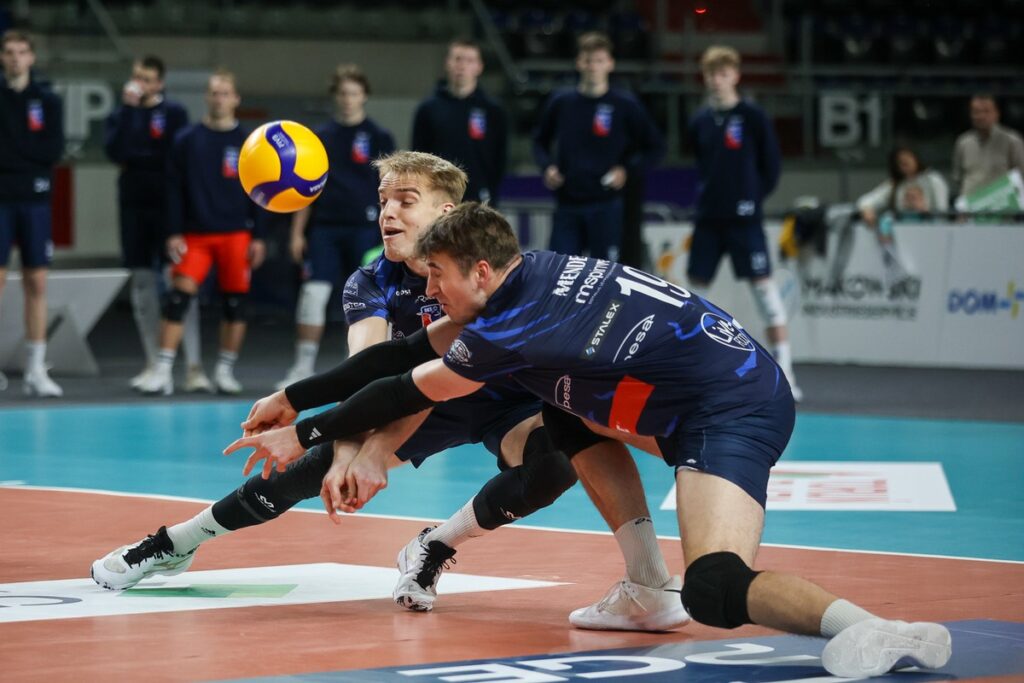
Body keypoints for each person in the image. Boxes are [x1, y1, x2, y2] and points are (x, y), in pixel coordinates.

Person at [229, 201, 953, 678]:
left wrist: (306, 432)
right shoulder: (530, 274)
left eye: (438, 276)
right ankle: (644, 584)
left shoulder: (513, 329)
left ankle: (873, 627)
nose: (431, 290)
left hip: (726, 408)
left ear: (480, 270)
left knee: (713, 585)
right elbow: (395, 354)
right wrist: (291, 395)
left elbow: (404, 389)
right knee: (564, 406)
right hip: (713, 379)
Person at [94, 151, 688, 633]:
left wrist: (366, 449)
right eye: (383, 201)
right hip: (415, 395)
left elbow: (431, 372)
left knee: (554, 463)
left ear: (447, 212)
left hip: (500, 396)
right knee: (305, 471)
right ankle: (177, 542)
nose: (389, 213)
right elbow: (377, 369)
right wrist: (347, 453)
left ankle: (435, 544)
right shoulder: (372, 279)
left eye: (407, 201)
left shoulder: (481, 269)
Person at [136, 69, 266, 396]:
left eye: (225, 93)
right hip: (195, 234)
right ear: (206, 97)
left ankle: (224, 371)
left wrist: (259, 236)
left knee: (236, 304)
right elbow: (173, 189)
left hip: (237, 233)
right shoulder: (187, 140)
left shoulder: (249, 143)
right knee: (178, 299)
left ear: (236, 99)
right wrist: (173, 233)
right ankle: (163, 371)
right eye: (214, 92)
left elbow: (262, 191)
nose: (219, 98)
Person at [686, 45, 801, 401]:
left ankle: (787, 375)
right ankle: (688, 371)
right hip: (708, 218)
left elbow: (771, 166)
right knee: (692, 297)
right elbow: (702, 164)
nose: (717, 81)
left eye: (723, 73)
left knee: (765, 293)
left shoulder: (752, 116)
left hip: (745, 220)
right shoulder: (700, 120)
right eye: (711, 74)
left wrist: (750, 197)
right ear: (705, 78)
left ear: (735, 75)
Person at [276, 64, 396, 389]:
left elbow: (389, 189)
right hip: (325, 229)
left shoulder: (379, 137)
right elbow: (306, 188)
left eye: (354, 93)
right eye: (342, 93)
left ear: (365, 96)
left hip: (365, 229)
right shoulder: (320, 138)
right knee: (313, 296)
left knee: (367, 300)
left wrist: (390, 231)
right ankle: (302, 367)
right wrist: (297, 232)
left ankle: (359, 369)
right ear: (335, 97)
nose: (348, 99)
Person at [103, 55, 213, 393]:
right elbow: (116, 152)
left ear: (160, 83)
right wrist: (131, 111)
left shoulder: (176, 114)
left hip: (168, 209)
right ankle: (153, 364)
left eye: (148, 79)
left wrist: (142, 157)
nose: (141, 84)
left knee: (181, 284)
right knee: (142, 284)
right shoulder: (122, 114)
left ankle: (193, 367)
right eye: (138, 77)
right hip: (134, 207)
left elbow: (173, 158)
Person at [532, 31, 664, 263]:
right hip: (567, 203)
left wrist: (627, 170)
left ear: (610, 64)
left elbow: (655, 147)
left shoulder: (625, 104)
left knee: (607, 275)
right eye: (588, 60)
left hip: (606, 205)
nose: (593, 66)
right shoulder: (561, 102)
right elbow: (539, 141)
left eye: (599, 60)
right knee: (560, 272)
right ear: (579, 62)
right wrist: (547, 167)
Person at [0, 29, 64, 397]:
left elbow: (51, 149)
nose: (14, 58)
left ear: (31, 57)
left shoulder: (48, 100)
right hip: (1, 201)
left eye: (21, 51)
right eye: (8, 52)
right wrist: (24, 154)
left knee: (37, 283)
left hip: (35, 200)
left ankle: (36, 369)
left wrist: (15, 155)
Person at [411, 39, 507, 206]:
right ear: (447, 63)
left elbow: (500, 159)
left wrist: (490, 191)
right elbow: (418, 157)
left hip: (479, 199)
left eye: (469, 60)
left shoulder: (493, 111)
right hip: (438, 197)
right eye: (457, 59)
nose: (462, 66)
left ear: (479, 67)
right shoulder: (428, 109)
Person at [951, 94, 1024, 200]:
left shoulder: (1012, 141)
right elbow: (958, 178)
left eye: (986, 111)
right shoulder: (963, 142)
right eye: (976, 112)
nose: (981, 116)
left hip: (1003, 208)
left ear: (996, 113)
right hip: (971, 207)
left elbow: (1021, 175)